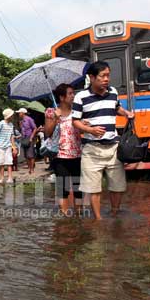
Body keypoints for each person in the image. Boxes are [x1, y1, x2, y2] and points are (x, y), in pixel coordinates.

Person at [72, 61, 134, 220]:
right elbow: (75, 121)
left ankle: (114, 214)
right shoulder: (81, 97)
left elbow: (116, 108)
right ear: (92, 77)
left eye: (108, 75)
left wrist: (126, 113)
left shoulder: (112, 92)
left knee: (118, 186)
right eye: (103, 76)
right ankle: (98, 220)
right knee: (93, 188)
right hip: (91, 149)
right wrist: (90, 130)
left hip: (113, 147)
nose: (107, 79)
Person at [44, 84, 83, 217]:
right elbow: (48, 133)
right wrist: (55, 118)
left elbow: (83, 129)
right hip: (60, 156)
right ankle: (65, 216)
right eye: (70, 93)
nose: (73, 96)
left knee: (79, 189)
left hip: (78, 154)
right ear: (61, 97)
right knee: (63, 189)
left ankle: (78, 215)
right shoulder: (51, 112)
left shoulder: (77, 111)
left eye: (73, 93)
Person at [0, 108, 18, 183]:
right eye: (12, 115)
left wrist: (14, 147)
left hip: (8, 146)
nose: (13, 117)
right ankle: (2, 178)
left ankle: (10, 178)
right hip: (1, 146)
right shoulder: (1, 123)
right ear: (9, 116)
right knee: (1, 162)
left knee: (9, 162)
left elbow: (11, 136)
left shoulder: (11, 125)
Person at [17, 108, 38, 174]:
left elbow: (35, 128)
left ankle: (32, 169)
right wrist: (20, 125)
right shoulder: (21, 121)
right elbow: (22, 130)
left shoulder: (29, 119)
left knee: (30, 155)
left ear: (23, 113)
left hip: (29, 138)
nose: (18, 114)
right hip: (24, 138)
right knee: (26, 155)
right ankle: (29, 168)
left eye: (19, 113)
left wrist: (31, 137)